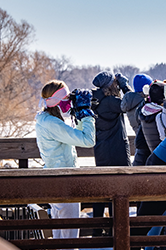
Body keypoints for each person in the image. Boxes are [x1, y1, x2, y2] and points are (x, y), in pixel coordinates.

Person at [35, 80, 96, 247]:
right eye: (67, 99)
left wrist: (78, 113)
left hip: (55, 179)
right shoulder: (52, 124)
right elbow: (88, 139)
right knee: (70, 235)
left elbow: (76, 134)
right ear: (57, 102)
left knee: (60, 234)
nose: (69, 102)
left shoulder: (45, 119)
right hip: (64, 183)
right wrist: (86, 114)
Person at [91, 71, 134, 236]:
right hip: (117, 152)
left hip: (101, 152)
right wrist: (125, 85)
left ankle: (97, 230)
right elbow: (131, 102)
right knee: (118, 190)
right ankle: (118, 231)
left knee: (103, 189)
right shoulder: (110, 102)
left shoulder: (95, 101)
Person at [122, 74, 153, 166]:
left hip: (139, 143)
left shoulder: (130, 101)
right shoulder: (145, 104)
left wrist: (125, 86)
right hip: (149, 144)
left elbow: (133, 95)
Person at [138, 80, 166, 152]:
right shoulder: (161, 114)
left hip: (150, 154)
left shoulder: (144, 111)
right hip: (161, 154)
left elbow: (139, 142)